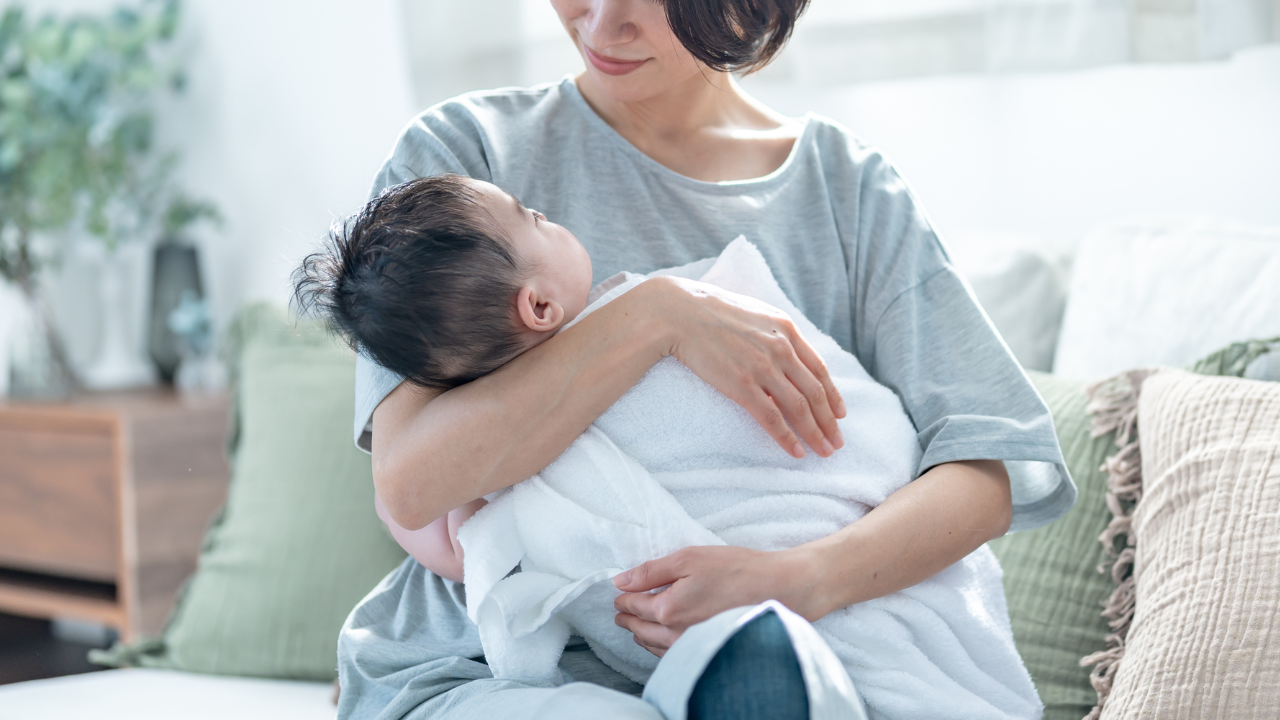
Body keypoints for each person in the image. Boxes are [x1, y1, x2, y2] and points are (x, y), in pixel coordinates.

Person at [334, 1, 1075, 718]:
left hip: (785, 653)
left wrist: (798, 580)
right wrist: (657, 316)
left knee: (764, 679)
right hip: (485, 672)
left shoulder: (846, 190)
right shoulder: (469, 161)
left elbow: (985, 470)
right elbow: (411, 484)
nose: (601, 22)